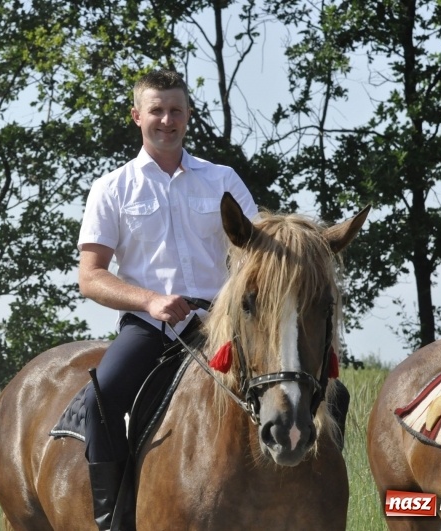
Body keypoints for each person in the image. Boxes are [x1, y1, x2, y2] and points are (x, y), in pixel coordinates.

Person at [77, 69, 258, 530]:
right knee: (101, 399)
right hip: (150, 327)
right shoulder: (112, 188)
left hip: (221, 326)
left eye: (176, 110)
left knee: (317, 388)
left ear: (188, 116)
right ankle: (113, 520)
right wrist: (150, 300)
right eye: (156, 110)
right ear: (137, 116)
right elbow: (91, 277)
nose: (167, 119)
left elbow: (259, 254)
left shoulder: (223, 179)